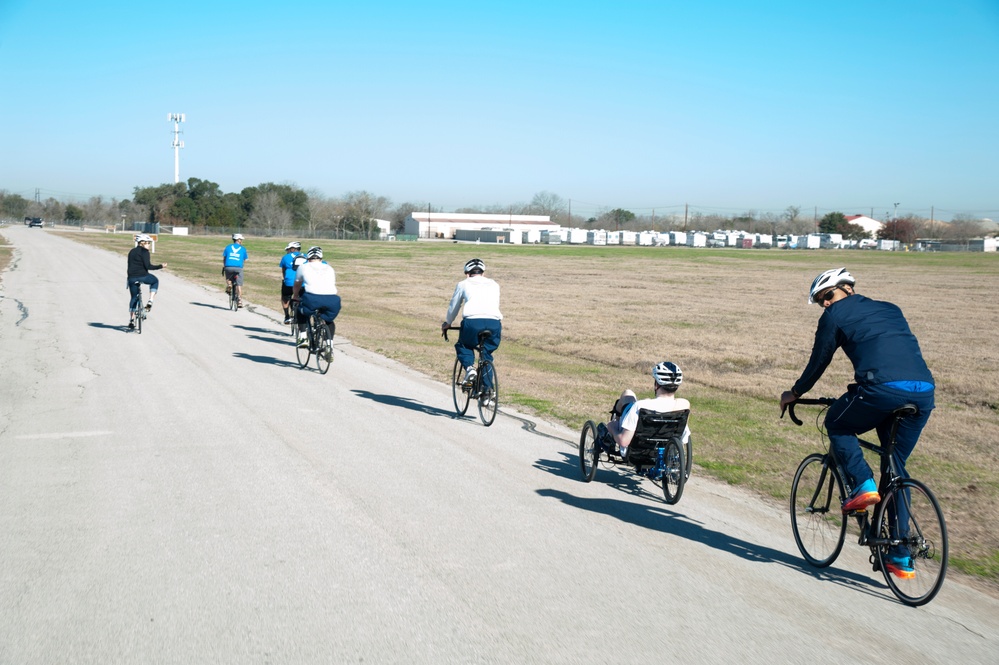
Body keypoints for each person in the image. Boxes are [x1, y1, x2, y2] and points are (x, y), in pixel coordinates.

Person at [779, 267, 935, 580]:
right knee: (895, 468)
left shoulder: (833, 317)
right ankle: (901, 555)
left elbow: (818, 362)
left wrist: (794, 393)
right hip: (923, 392)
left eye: (827, 296)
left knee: (837, 423)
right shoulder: (891, 309)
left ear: (847, 289)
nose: (825, 303)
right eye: (822, 300)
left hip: (881, 389)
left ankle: (862, 485)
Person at [601, 361, 691, 461]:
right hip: (667, 452)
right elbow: (684, 437)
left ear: (656, 384)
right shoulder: (684, 405)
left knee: (628, 394)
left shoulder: (641, 406)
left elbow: (623, 441)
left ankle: (614, 427)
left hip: (636, 453)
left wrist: (612, 428)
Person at [440, 258, 502, 388]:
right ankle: (487, 392)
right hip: (494, 322)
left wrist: (448, 322)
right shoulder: (494, 284)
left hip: (472, 322)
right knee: (486, 354)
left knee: (464, 345)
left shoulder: (463, 284)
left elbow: (454, 306)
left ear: (467, 273)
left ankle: (469, 368)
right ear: (483, 273)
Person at [292, 247, 341, 349]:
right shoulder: (329, 268)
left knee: (300, 311)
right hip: (333, 299)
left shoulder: (303, 267)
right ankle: (329, 345)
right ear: (321, 258)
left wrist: (295, 296)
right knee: (329, 321)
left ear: (308, 258)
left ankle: (303, 337)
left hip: (312, 298)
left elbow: (297, 284)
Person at [126, 234, 167, 329]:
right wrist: (161, 266)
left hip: (131, 278)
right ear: (143, 243)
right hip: (143, 276)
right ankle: (150, 302)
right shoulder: (145, 252)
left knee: (133, 298)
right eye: (148, 243)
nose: (149, 245)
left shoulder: (131, 251)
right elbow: (148, 266)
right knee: (155, 281)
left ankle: (131, 321)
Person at [279, 241, 302, 323]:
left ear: (292, 249)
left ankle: (287, 316)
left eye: (288, 249)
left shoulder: (285, 257)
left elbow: (283, 270)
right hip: (302, 283)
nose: (287, 251)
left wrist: (285, 279)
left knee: (285, 297)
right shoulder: (305, 257)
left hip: (289, 282)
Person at [222, 233, 248, 307]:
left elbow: (224, 258)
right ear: (238, 240)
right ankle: (239, 300)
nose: (242, 241)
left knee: (228, 277)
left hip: (228, 266)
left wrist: (224, 266)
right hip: (238, 268)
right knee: (239, 284)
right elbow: (245, 259)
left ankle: (229, 285)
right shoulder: (243, 248)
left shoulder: (228, 247)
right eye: (241, 239)